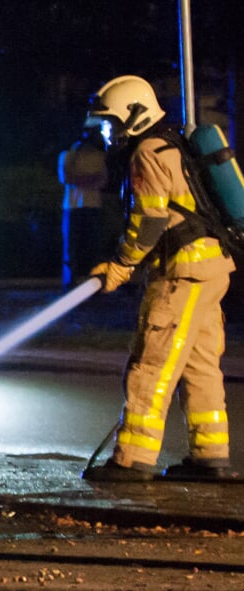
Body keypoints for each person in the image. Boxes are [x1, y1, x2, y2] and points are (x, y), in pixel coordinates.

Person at [83, 75, 235, 482]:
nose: (107, 132)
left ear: (134, 115)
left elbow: (147, 221)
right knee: (200, 367)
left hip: (181, 274)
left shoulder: (147, 153)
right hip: (213, 268)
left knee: (151, 364)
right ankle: (210, 456)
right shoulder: (175, 144)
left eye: (111, 123)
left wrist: (122, 264)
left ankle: (133, 459)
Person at [58, 123, 109, 284]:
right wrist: (89, 179)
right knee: (72, 249)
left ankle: (90, 282)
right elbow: (67, 178)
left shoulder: (98, 156)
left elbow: (101, 180)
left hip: (89, 206)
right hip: (74, 207)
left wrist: (79, 179)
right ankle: (72, 283)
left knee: (90, 248)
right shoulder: (68, 155)